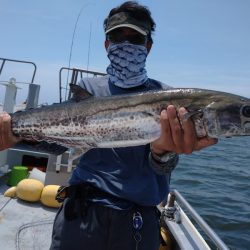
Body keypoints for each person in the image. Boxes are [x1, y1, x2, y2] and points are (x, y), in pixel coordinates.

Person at [0, 1, 217, 250]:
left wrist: (163, 153)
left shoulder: (166, 97)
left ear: (148, 47)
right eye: (116, 36)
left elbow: (163, 167)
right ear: (107, 44)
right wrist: (17, 135)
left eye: (135, 38)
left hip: (137, 221)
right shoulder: (90, 89)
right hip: (81, 214)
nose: (125, 44)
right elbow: (57, 142)